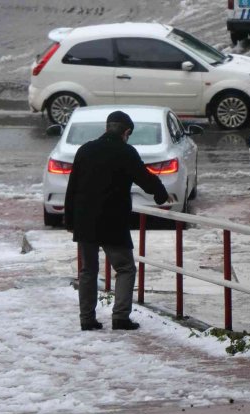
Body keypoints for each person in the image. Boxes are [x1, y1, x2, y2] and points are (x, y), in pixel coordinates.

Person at [64, 111, 172, 331]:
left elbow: (72, 186)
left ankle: (87, 319)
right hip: (112, 220)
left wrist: (69, 218)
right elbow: (144, 177)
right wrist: (161, 194)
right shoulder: (125, 151)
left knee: (88, 270)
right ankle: (120, 317)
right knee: (125, 268)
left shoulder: (85, 150)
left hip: (85, 220)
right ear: (126, 132)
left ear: (107, 127)